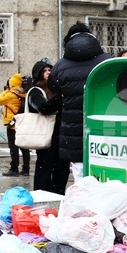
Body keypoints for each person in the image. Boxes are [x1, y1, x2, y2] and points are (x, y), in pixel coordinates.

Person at [49, 22, 111, 181]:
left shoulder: (60, 66)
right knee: (106, 168)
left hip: (73, 126)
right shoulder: (107, 62)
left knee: (79, 170)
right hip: (103, 125)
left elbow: (54, 88)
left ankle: (83, 202)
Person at [27, 60, 69, 194]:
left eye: (50, 70)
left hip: (61, 137)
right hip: (46, 137)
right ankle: (42, 196)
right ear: (38, 74)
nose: (48, 73)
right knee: (44, 169)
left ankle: (58, 196)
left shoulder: (56, 90)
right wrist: (61, 98)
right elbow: (44, 108)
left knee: (62, 169)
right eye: (45, 71)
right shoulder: (35, 91)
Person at [0, 73, 31, 177]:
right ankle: (26, 169)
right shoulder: (24, 93)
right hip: (22, 124)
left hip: (12, 125)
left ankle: (14, 169)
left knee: (13, 148)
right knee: (24, 147)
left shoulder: (11, 94)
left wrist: (6, 90)